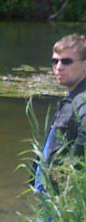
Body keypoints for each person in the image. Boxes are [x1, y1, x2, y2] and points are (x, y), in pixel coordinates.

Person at [33, 34, 86, 194]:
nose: (59, 67)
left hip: (61, 195)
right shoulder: (72, 98)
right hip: (50, 193)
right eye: (55, 61)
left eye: (66, 61)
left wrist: (68, 171)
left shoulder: (82, 99)